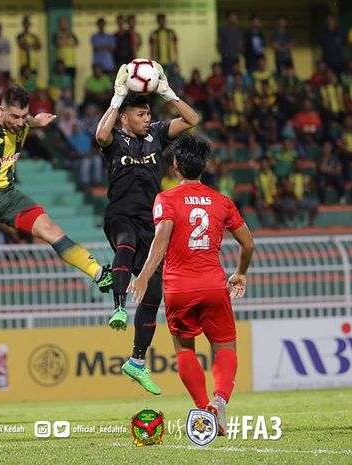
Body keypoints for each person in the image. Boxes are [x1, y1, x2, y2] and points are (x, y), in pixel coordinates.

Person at [0, 85, 112, 346]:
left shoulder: (22, 121)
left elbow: (29, 120)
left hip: (8, 194)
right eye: (14, 117)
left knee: (51, 229)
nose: (20, 124)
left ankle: (99, 274)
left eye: (24, 117)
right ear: (1, 111)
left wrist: (39, 122)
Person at [130, 134, 254, 435]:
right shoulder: (221, 201)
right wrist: (240, 272)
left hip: (178, 288)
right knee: (225, 347)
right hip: (213, 285)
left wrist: (145, 275)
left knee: (185, 349)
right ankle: (220, 399)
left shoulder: (166, 199)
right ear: (204, 167)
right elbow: (248, 244)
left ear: (175, 166)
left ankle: (203, 409)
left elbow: (161, 239)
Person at [94, 61, 199, 395]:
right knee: (124, 245)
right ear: (125, 118)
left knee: (155, 291)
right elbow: (100, 134)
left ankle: (137, 361)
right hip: (120, 215)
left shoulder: (156, 134)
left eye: (148, 114)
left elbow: (193, 120)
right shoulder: (114, 139)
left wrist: (168, 92)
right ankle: (120, 308)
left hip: (150, 220)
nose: (147, 119)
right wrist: (117, 98)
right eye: (141, 115)